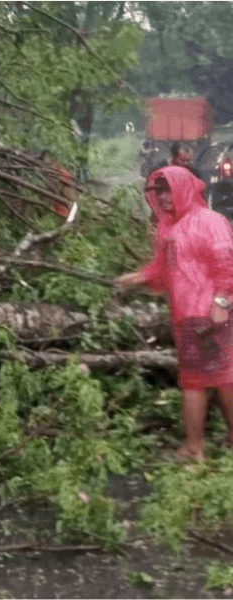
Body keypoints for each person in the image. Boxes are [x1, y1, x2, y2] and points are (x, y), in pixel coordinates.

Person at [116, 166, 233, 461]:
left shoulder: (210, 222)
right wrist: (137, 277)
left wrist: (220, 304)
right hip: (185, 315)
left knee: (196, 381)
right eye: (159, 192)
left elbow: (227, 267)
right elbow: (163, 269)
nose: (164, 197)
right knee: (222, 377)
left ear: (186, 188)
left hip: (206, 314)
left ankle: (194, 449)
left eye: (169, 189)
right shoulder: (168, 227)